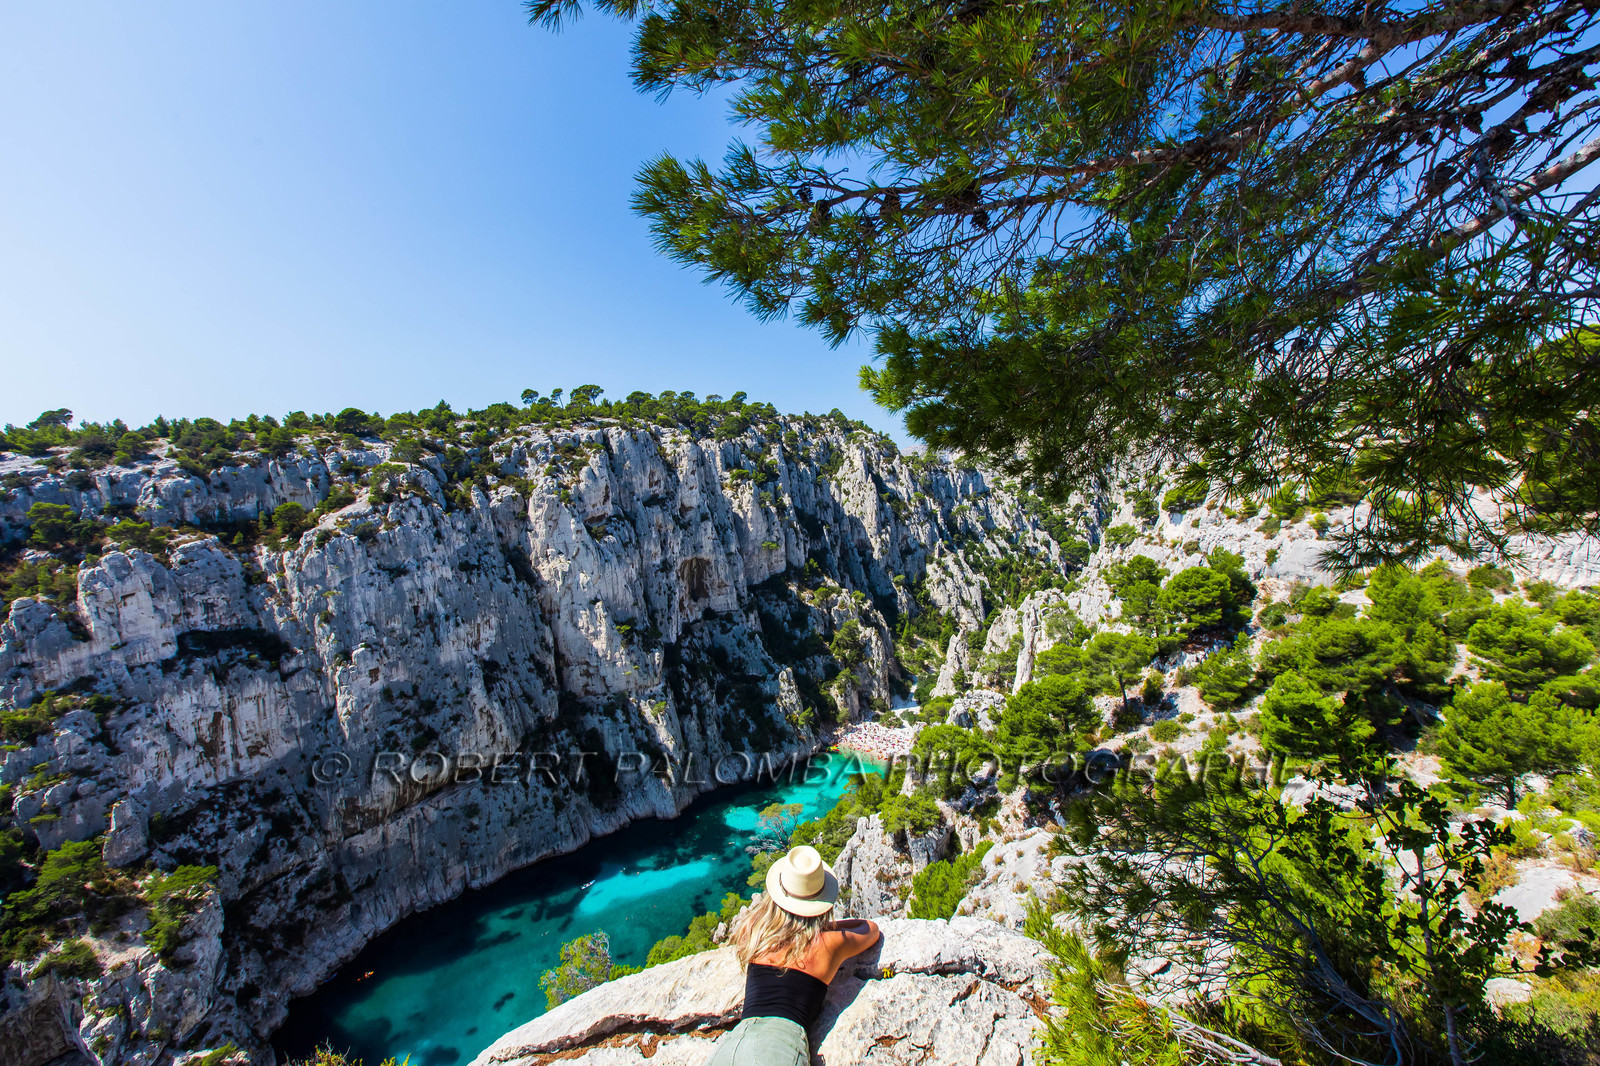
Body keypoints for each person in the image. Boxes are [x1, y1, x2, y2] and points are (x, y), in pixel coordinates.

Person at [707, 845, 881, 1066]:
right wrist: (822, 928)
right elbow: (870, 929)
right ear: (822, 903)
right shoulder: (829, 943)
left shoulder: (755, 932)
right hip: (777, 1050)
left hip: (733, 1044)